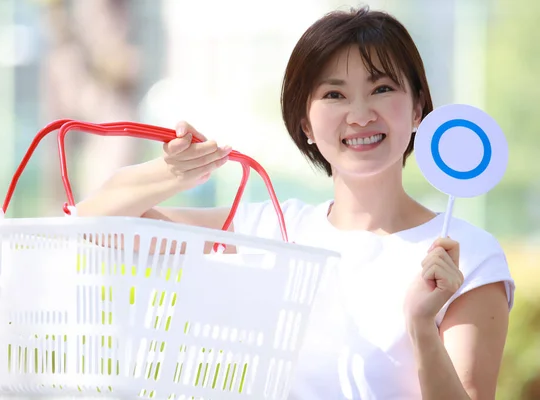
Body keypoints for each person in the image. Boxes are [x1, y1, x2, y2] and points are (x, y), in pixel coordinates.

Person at [78, 6, 515, 399]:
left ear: (418, 107)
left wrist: (421, 326)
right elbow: (93, 226)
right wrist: (170, 173)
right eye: (334, 95)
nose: (360, 114)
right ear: (304, 123)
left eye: (381, 89)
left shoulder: (464, 254)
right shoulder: (271, 233)